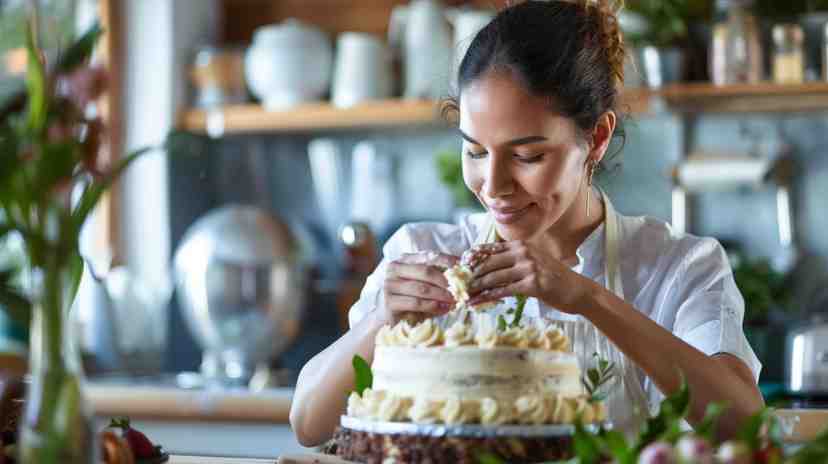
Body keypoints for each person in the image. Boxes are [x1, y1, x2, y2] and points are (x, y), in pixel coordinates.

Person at [290, 0, 764, 446]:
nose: (493, 184)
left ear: (596, 138)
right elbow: (308, 424)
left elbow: (746, 426)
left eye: (527, 155)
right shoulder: (421, 248)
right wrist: (378, 321)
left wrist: (586, 297)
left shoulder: (678, 267)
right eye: (475, 151)